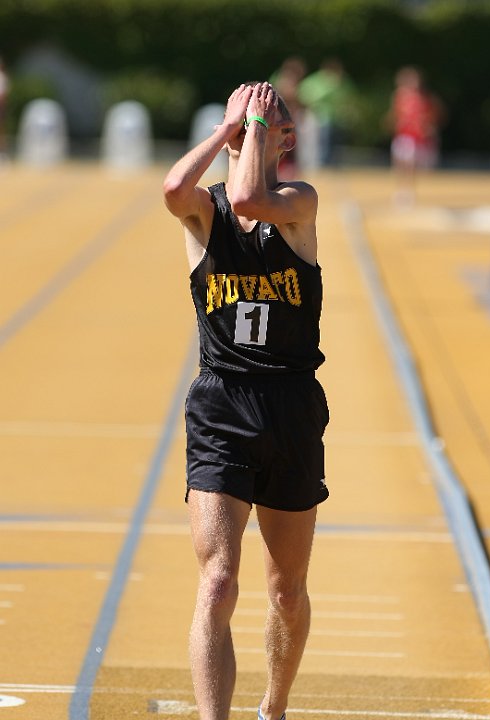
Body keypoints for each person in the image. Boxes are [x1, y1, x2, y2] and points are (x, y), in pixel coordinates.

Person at [163, 81, 329, 720]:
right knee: (219, 581)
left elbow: (251, 198)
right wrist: (224, 131)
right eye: (248, 123)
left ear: (285, 138)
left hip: (289, 405)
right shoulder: (205, 212)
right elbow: (174, 191)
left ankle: (274, 707)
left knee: (286, 591)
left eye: (267, 124)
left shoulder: (297, 202)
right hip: (221, 404)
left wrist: (257, 123)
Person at [386, 66, 446, 206]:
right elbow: (394, 115)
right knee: (402, 164)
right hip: (404, 136)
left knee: (415, 167)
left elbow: (437, 113)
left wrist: (431, 126)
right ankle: (404, 191)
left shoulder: (425, 98)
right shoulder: (399, 97)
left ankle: (408, 191)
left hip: (418, 138)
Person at [298, 58, 357, 166]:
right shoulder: (315, 81)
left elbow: (348, 99)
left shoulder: (343, 82)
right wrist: (330, 88)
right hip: (318, 118)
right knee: (320, 143)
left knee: (335, 143)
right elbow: (306, 98)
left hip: (337, 119)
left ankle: (332, 163)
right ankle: (321, 164)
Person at [0, 57, 9, 159]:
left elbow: (3, 96)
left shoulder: (2, 77)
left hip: (1, 108)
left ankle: (2, 152)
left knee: (1, 130)